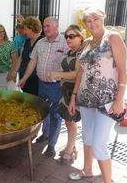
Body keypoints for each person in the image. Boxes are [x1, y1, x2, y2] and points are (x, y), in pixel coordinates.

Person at [68, 8, 127, 183]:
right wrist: (73, 97)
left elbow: (124, 71)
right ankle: (87, 170)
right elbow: (81, 73)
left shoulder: (113, 38)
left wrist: (119, 100)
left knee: (99, 145)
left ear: (103, 17)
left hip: (106, 101)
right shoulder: (86, 42)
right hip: (86, 99)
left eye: (95, 18)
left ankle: (107, 181)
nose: (92, 23)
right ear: (84, 24)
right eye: (87, 20)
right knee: (87, 137)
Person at [19, 17, 69, 158]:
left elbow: (73, 63)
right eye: (44, 26)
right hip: (42, 85)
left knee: (55, 115)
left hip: (57, 86)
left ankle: (51, 145)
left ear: (56, 26)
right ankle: (45, 134)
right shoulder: (40, 43)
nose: (45, 28)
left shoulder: (65, 43)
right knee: (42, 113)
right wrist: (23, 78)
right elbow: (32, 63)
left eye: (48, 26)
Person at [49, 25, 84, 165]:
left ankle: (69, 151)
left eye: (72, 36)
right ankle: (72, 146)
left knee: (71, 121)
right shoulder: (70, 52)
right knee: (68, 121)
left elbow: (77, 74)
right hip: (65, 92)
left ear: (80, 37)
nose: (68, 39)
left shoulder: (81, 53)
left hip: (74, 93)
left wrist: (58, 74)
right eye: (66, 36)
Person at [17, 17, 44, 95]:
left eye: (25, 29)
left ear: (31, 28)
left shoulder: (42, 41)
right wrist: (15, 72)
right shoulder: (27, 41)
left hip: (35, 80)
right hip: (24, 77)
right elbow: (21, 58)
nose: (24, 32)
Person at [0, 24, 17, 89]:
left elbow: (15, 60)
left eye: (1, 31)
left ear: (4, 32)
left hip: (8, 74)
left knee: (9, 97)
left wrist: (11, 73)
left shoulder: (10, 44)